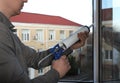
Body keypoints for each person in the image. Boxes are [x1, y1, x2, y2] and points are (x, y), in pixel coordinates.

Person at [0, 0, 89, 83]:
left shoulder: (6, 31)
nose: (26, 0)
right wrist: (56, 73)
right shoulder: (1, 32)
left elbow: (35, 59)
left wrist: (70, 45)